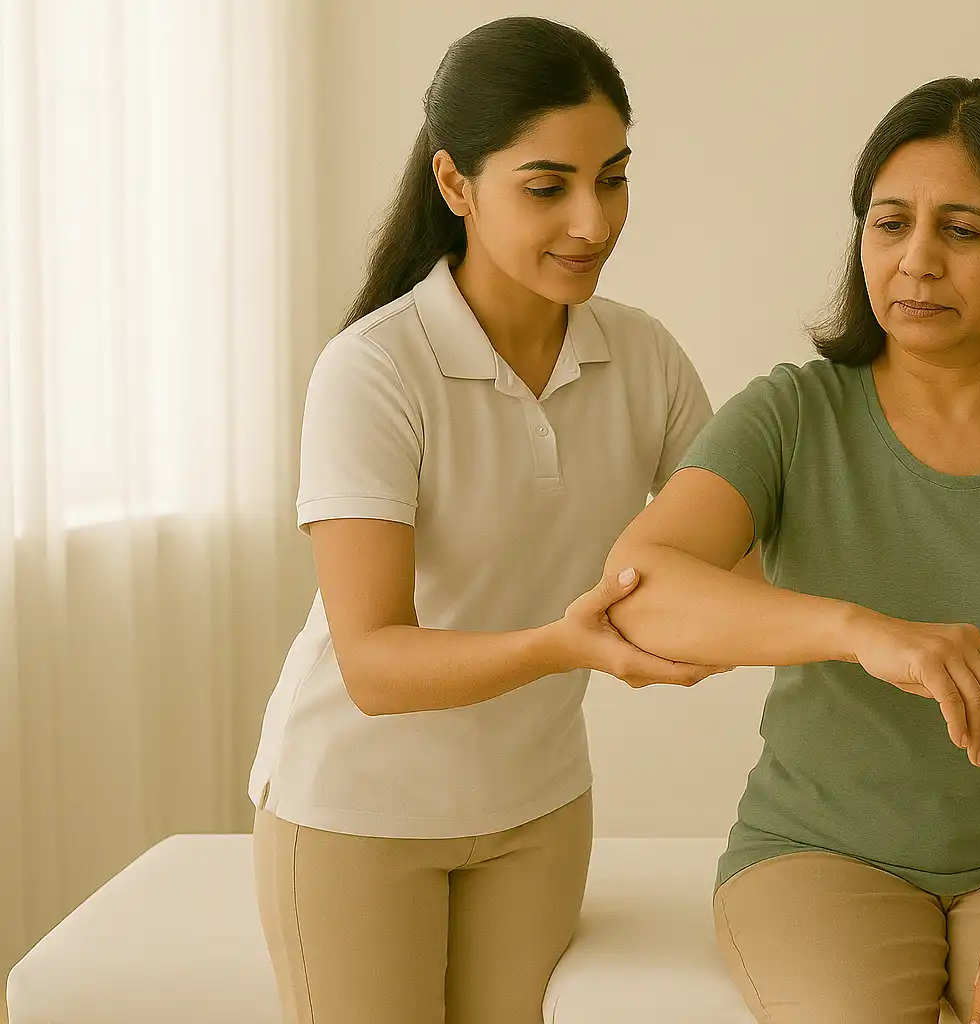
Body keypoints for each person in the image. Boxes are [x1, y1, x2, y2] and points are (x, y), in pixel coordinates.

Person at [604, 76, 980, 1024]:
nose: (917, 260)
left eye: (962, 231)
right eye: (890, 224)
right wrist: (859, 630)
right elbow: (638, 590)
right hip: (819, 853)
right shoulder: (791, 413)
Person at [246, 16, 732, 1024]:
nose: (593, 222)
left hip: (537, 813)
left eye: (615, 177)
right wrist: (566, 645)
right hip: (356, 812)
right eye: (547, 187)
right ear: (456, 184)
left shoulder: (642, 358)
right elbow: (374, 664)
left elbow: (734, 550)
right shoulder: (376, 370)